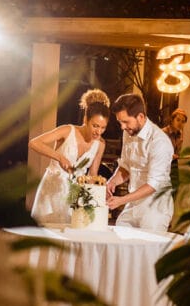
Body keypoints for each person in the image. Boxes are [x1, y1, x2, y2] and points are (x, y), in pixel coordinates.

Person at [27, 88, 110, 226]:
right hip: (53, 188)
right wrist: (59, 157)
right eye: (95, 126)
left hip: (74, 194)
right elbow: (34, 143)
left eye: (103, 128)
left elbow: (93, 174)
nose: (98, 132)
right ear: (86, 120)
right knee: (46, 233)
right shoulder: (67, 130)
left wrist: (99, 191)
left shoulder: (100, 144)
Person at [106, 92, 175, 233]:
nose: (122, 127)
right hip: (133, 203)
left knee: (148, 252)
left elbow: (153, 185)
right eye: (120, 122)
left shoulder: (159, 142)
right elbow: (125, 167)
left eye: (125, 122)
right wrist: (111, 182)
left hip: (156, 206)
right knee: (119, 237)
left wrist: (121, 200)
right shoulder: (128, 133)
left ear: (141, 117)